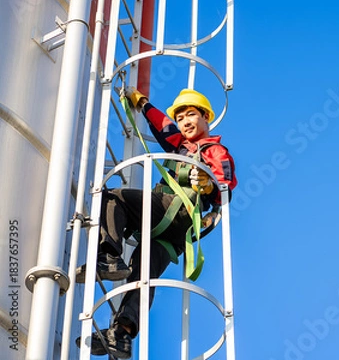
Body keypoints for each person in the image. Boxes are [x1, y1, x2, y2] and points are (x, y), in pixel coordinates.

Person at [75, 88, 237, 359]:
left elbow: (225, 187)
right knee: (142, 276)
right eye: (182, 116)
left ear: (206, 117)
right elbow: (164, 128)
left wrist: (208, 184)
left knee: (115, 198)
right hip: (170, 233)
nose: (186, 121)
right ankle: (123, 334)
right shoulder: (181, 146)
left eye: (192, 115)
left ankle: (109, 257)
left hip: (177, 213)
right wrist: (143, 104)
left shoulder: (214, 149)